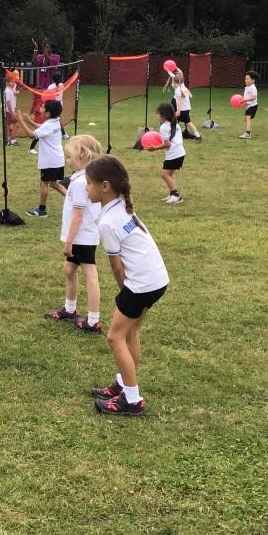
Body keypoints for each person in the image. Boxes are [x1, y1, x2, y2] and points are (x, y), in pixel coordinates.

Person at [85, 154, 170, 416]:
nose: (86, 188)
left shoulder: (108, 221)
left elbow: (116, 265)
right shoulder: (121, 207)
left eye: (89, 183)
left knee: (115, 336)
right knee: (130, 333)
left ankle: (132, 400)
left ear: (105, 187)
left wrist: (125, 293)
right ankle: (123, 384)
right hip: (157, 279)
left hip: (142, 283)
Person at [45, 135, 105, 333]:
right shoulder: (80, 178)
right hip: (79, 237)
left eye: (69, 156)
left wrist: (68, 242)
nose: (66, 160)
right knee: (69, 270)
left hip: (82, 238)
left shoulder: (81, 183)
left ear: (83, 157)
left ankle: (93, 320)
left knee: (90, 276)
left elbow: (78, 216)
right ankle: (70, 309)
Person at [13, 98, 67, 217]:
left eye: (42, 107)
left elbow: (31, 135)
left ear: (48, 113)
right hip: (57, 159)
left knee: (44, 183)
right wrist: (28, 121)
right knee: (53, 183)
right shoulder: (55, 121)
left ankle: (42, 210)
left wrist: (21, 121)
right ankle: (73, 199)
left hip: (50, 161)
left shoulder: (49, 125)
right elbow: (41, 127)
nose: (40, 109)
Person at [148, 102, 186, 204]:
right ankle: (172, 194)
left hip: (174, 154)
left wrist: (154, 148)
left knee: (165, 174)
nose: (157, 116)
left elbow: (167, 144)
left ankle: (176, 195)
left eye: (158, 113)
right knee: (169, 174)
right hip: (180, 153)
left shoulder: (164, 127)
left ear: (163, 115)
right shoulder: (174, 123)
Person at [169, 69, 201, 141]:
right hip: (187, 108)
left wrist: (178, 111)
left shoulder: (178, 90)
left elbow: (179, 102)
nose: (172, 82)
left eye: (172, 81)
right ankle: (175, 135)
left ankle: (198, 136)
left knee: (188, 123)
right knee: (179, 122)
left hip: (182, 110)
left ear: (174, 82)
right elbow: (191, 96)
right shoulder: (184, 87)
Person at [238, 70, 260, 139]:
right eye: (245, 78)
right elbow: (247, 97)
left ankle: (248, 133)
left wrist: (244, 100)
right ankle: (247, 132)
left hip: (252, 106)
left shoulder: (253, 88)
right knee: (247, 119)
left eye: (247, 79)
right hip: (249, 106)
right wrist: (244, 103)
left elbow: (254, 97)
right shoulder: (248, 87)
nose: (246, 80)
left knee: (248, 119)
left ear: (253, 80)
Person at [4, 72, 20, 146]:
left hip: (10, 111)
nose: (14, 83)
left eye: (14, 81)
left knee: (14, 125)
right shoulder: (7, 91)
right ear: (7, 83)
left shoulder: (10, 90)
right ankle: (9, 140)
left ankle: (11, 139)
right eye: (12, 82)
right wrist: (12, 113)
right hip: (8, 111)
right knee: (12, 125)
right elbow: (8, 103)